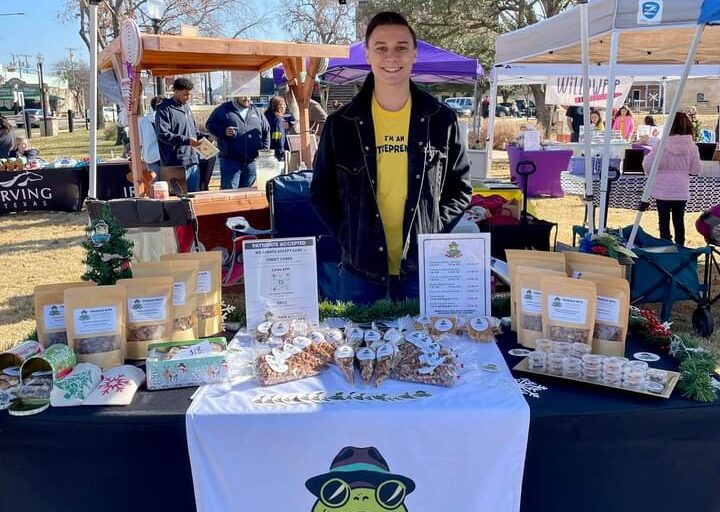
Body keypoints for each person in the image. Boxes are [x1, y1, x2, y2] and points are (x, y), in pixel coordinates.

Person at [311, 11, 472, 304]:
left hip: (422, 267)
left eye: (401, 47)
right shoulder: (342, 123)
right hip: (360, 268)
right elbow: (321, 191)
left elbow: (460, 189)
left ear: (414, 54)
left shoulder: (441, 120)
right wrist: (349, 235)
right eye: (381, 48)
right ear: (368, 55)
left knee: (425, 348)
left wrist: (434, 229)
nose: (391, 57)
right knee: (358, 347)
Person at [643, 112, 701, 247]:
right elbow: (696, 170)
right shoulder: (692, 147)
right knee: (679, 220)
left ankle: (665, 247)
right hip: (681, 188)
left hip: (662, 188)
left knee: (663, 221)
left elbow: (647, 164)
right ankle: (680, 247)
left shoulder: (661, 145)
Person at [206, 95, 270, 189]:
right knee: (229, 192)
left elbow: (266, 130)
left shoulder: (256, 111)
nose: (248, 99)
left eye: (249, 96)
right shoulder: (223, 109)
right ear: (236, 96)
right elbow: (209, 125)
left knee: (247, 193)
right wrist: (223, 131)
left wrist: (265, 150)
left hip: (251, 162)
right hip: (230, 161)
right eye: (244, 96)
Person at [154, 78, 207, 192]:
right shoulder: (164, 109)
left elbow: (193, 132)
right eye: (186, 94)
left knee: (195, 196)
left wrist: (206, 137)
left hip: (193, 161)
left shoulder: (186, 108)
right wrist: (187, 141)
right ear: (176, 91)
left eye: (190, 94)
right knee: (177, 202)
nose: (188, 98)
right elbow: (163, 135)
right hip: (175, 163)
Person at [138, 95, 163, 175]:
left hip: (150, 156)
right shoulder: (165, 117)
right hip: (165, 155)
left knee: (154, 185)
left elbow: (140, 141)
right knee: (168, 185)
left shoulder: (142, 121)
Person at [264, 96, 290, 169]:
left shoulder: (267, 116)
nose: (285, 107)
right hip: (277, 153)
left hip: (267, 151)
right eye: (284, 105)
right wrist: (281, 152)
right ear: (279, 107)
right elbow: (277, 137)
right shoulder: (278, 120)